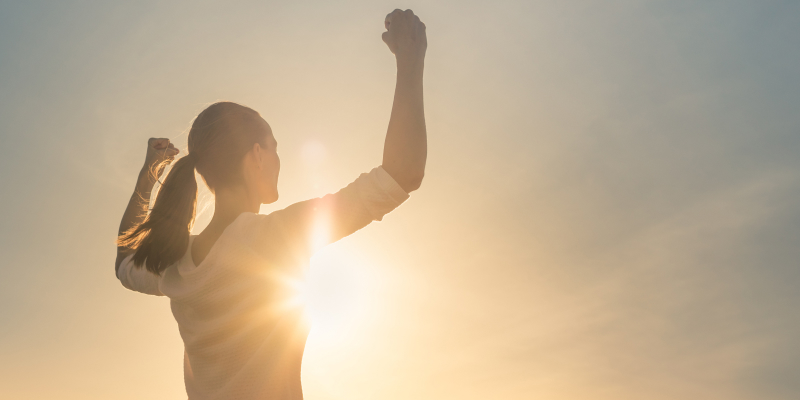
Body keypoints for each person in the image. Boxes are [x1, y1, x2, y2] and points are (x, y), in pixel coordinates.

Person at [114, 9, 427, 400]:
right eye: (275, 148)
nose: (280, 159)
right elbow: (401, 175)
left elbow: (124, 262)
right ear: (257, 156)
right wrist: (411, 61)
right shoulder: (275, 237)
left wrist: (148, 173)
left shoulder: (176, 265)